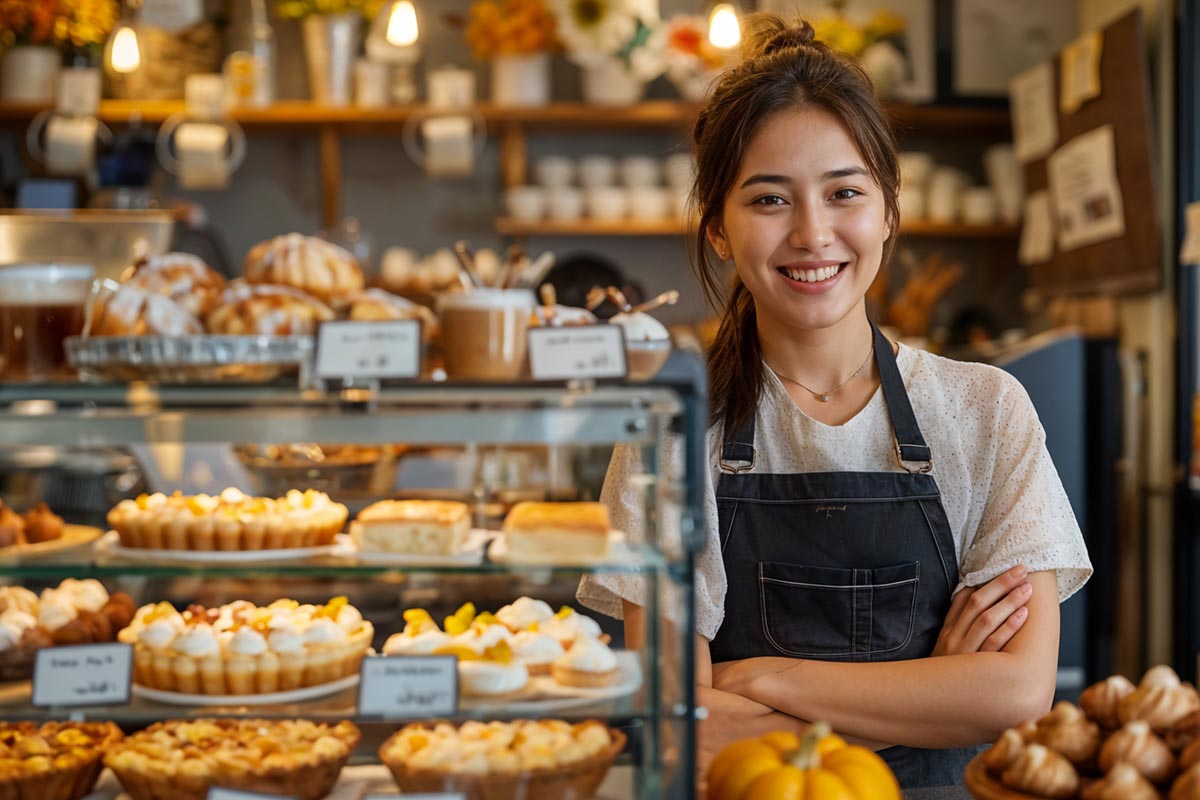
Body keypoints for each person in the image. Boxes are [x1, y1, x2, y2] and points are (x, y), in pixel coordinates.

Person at [578, 13, 1092, 790]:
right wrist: (928, 692)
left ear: (888, 209)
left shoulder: (985, 411)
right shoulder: (673, 427)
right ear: (718, 229)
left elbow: (1014, 694)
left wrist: (766, 678)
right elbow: (682, 723)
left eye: (844, 192)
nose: (813, 234)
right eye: (769, 200)